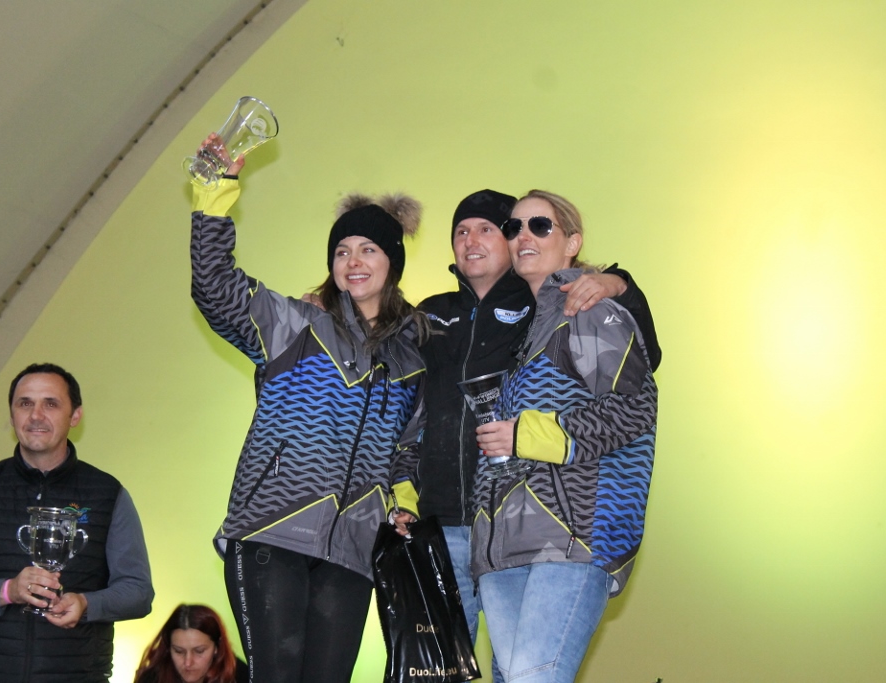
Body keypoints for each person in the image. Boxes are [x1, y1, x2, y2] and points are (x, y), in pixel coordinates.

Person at [189, 134, 426, 683]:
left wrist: (404, 500)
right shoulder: (294, 325)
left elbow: (409, 446)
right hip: (271, 530)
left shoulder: (412, 357)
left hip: (353, 548)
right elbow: (214, 286)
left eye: (368, 249)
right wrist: (215, 194)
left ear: (392, 262)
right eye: (342, 252)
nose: (353, 261)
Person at [415, 189, 661, 672]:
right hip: (502, 545)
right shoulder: (530, 329)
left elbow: (636, 407)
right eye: (514, 227)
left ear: (572, 242)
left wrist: (616, 282)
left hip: (570, 539)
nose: (523, 236)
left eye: (540, 226)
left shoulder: (589, 309)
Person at [0, 362, 155, 682]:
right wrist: (8, 591)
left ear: (75, 416)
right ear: (12, 416)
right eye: (25, 404)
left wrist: (86, 603)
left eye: (50, 404)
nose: (36, 415)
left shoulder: (108, 493)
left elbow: (138, 592)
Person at [135, 604, 248, 683]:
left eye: (199, 651)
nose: (188, 662)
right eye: (179, 651)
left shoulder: (242, 677)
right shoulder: (152, 678)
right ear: (168, 648)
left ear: (217, 647)